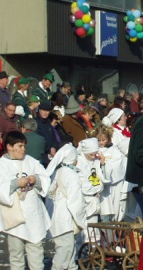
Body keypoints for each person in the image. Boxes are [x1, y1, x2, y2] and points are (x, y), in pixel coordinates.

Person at [0, 131, 51, 270]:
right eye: (20, 146)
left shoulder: (31, 161)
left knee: (36, 253)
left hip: (34, 215)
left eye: (24, 146)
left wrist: (37, 180)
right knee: (16, 255)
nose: (23, 149)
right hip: (15, 219)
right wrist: (16, 183)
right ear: (9, 146)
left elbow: (46, 179)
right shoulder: (2, 165)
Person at [45, 144, 87, 270]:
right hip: (65, 219)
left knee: (69, 250)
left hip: (55, 217)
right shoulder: (72, 175)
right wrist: (81, 220)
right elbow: (75, 201)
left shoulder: (56, 172)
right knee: (64, 251)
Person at [94, 124, 126, 222]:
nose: (101, 143)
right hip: (101, 185)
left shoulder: (115, 150)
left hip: (114, 184)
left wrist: (105, 164)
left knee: (115, 207)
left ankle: (115, 222)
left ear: (108, 139)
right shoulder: (94, 150)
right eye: (99, 140)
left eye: (103, 140)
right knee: (104, 208)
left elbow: (117, 166)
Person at [35, 102, 58, 166]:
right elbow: (39, 140)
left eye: (47, 111)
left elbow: (54, 137)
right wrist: (49, 148)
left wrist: (54, 147)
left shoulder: (48, 123)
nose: (45, 113)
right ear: (40, 111)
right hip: (41, 154)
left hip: (50, 153)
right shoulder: (36, 123)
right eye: (43, 110)